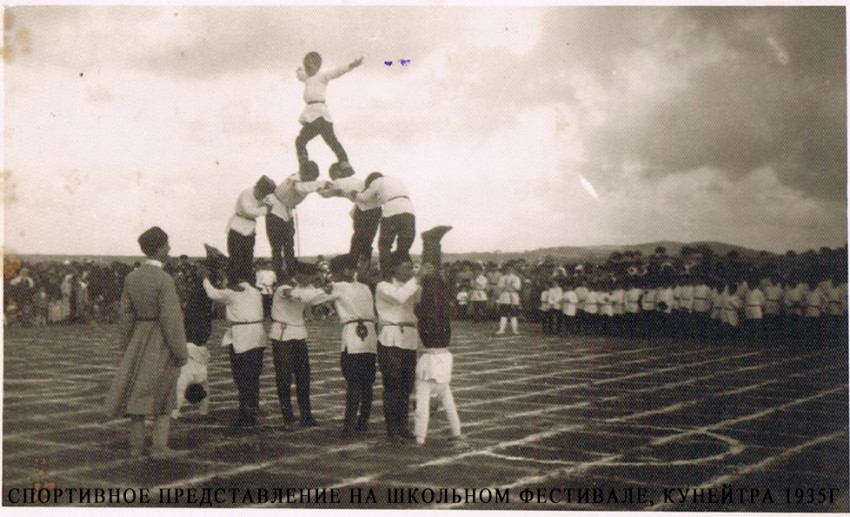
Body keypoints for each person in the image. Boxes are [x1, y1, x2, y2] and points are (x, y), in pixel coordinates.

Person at [103, 227, 188, 459]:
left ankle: (136, 447)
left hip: (138, 338)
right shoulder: (165, 280)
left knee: (137, 393)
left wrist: (127, 346)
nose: (169, 249)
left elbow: (126, 315)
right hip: (160, 339)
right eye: (167, 245)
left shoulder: (132, 278)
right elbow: (171, 320)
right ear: (159, 248)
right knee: (164, 392)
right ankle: (160, 447)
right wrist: (181, 353)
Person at [414, 226, 464, 446]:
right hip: (439, 346)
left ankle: (431, 243)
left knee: (434, 285)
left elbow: (423, 409)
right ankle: (432, 243)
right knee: (436, 286)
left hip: (434, 343)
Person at [268, 262, 333, 431]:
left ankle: (306, 415)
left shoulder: (306, 288)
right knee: (284, 378)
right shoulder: (284, 288)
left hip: (299, 336)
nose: (311, 280)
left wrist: (329, 292)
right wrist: (321, 291)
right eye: (308, 276)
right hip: (283, 336)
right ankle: (287, 416)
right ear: (298, 273)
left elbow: (314, 299)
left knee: (304, 377)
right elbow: (300, 295)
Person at [203, 268, 266, 428]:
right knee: (254, 375)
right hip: (257, 335)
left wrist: (205, 279)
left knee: (242, 377)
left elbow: (213, 294)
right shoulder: (255, 291)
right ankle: (252, 409)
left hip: (242, 335)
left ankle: (246, 415)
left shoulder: (234, 291)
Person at [327, 255, 378, 437]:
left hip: (354, 335)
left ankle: (349, 425)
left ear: (345, 270)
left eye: (335, 272)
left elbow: (316, 299)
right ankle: (362, 422)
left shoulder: (338, 286)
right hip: (369, 334)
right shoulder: (365, 287)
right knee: (367, 383)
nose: (333, 276)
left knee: (354, 383)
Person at [375, 258, 423, 442]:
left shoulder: (410, 285)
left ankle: (403, 426)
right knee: (392, 385)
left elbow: (418, 298)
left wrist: (422, 281)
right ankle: (392, 430)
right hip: (391, 338)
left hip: (408, 338)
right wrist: (417, 280)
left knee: (406, 386)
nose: (409, 271)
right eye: (405, 267)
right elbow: (399, 297)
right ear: (393, 267)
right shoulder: (383, 286)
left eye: (411, 268)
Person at [295, 52, 363, 173]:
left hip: (319, 115)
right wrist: (300, 69)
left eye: (310, 66)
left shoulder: (322, 77)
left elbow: (337, 72)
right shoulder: (307, 78)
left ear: (317, 66)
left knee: (308, 141)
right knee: (329, 142)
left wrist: (352, 65)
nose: (308, 69)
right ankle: (344, 164)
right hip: (313, 115)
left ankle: (343, 165)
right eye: (306, 67)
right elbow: (300, 75)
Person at [266, 163, 327, 279]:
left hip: (287, 212)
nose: (313, 180)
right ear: (305, 174)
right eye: (312, 178)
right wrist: (322, 184)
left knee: (289, 247)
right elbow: (301, 188)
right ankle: (279, 277)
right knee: (277, 248)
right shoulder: (295, 180)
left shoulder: (302, 180)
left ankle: (292, 274)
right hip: (275, 211)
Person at [318, 163, 382, 265]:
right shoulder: (355, 180)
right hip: (375, 210)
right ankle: (363, 267)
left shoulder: (339, 182)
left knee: (358, 241)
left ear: (336, 173)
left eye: (332, 175)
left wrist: (317, 188)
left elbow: (325, 194)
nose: (332, 178)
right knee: (367, 243)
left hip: (364, 211)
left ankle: (339, 264)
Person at [356, 173, 415, 275]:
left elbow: (364, 198)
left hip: (392, 210)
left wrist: (355, 194)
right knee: (404, 246)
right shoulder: (396, 179)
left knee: (385, 245)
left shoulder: (376, 181)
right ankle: (403, 272)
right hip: (409, 210)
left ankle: (386, 273)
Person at [227, 176, 276, 285]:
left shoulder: (262, 197)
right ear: (257, 188)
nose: (261, 197)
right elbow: (249, 211)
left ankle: (247, 283)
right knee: (236, 257)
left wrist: (269, 204)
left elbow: (270, 202)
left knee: (248, 257)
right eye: (261, 193)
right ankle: (233, 283)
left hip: (250, 229)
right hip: (238, 227)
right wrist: (266, 210)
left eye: (264, 195)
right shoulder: (246, 194)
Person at [495, 265, 522, 335]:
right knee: (503, 314)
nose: (509, 271)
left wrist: (512, 284)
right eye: (508, 269)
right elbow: (499, 286)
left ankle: (515, 330)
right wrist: (506, 283)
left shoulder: (516, 278)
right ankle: (501, 329)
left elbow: (518, 287)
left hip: (513, 296)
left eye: (511, 269)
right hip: (505, 296)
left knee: (514, 314)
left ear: (513, 270)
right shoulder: (502, 278)